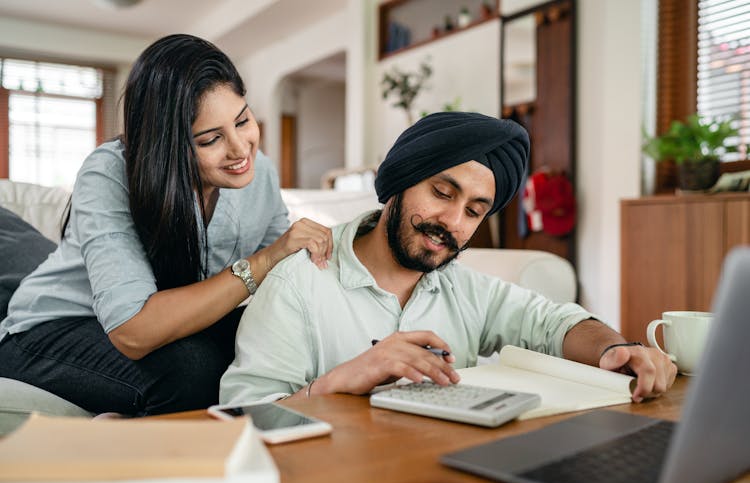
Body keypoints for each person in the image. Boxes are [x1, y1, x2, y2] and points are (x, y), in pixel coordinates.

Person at [219, 112, 677, 405]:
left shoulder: (463, 287)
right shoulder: (298, 282)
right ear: (399, 182)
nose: (453, 221)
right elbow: (243, 416)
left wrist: (616, 348)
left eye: (475, 211)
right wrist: (343, 379)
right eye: (442, 192)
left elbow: (553, 323)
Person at [0, 34, 332, 416]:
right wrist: (262, 261)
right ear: (168, 144)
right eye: (210, 140)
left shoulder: (262, 173)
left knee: (276, 340)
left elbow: (288, 277)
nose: (241, 149)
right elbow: (133, 331)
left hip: (171, 327)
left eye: (243, 120)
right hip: (52, 330)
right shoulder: (111, 171)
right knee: (193, 369)